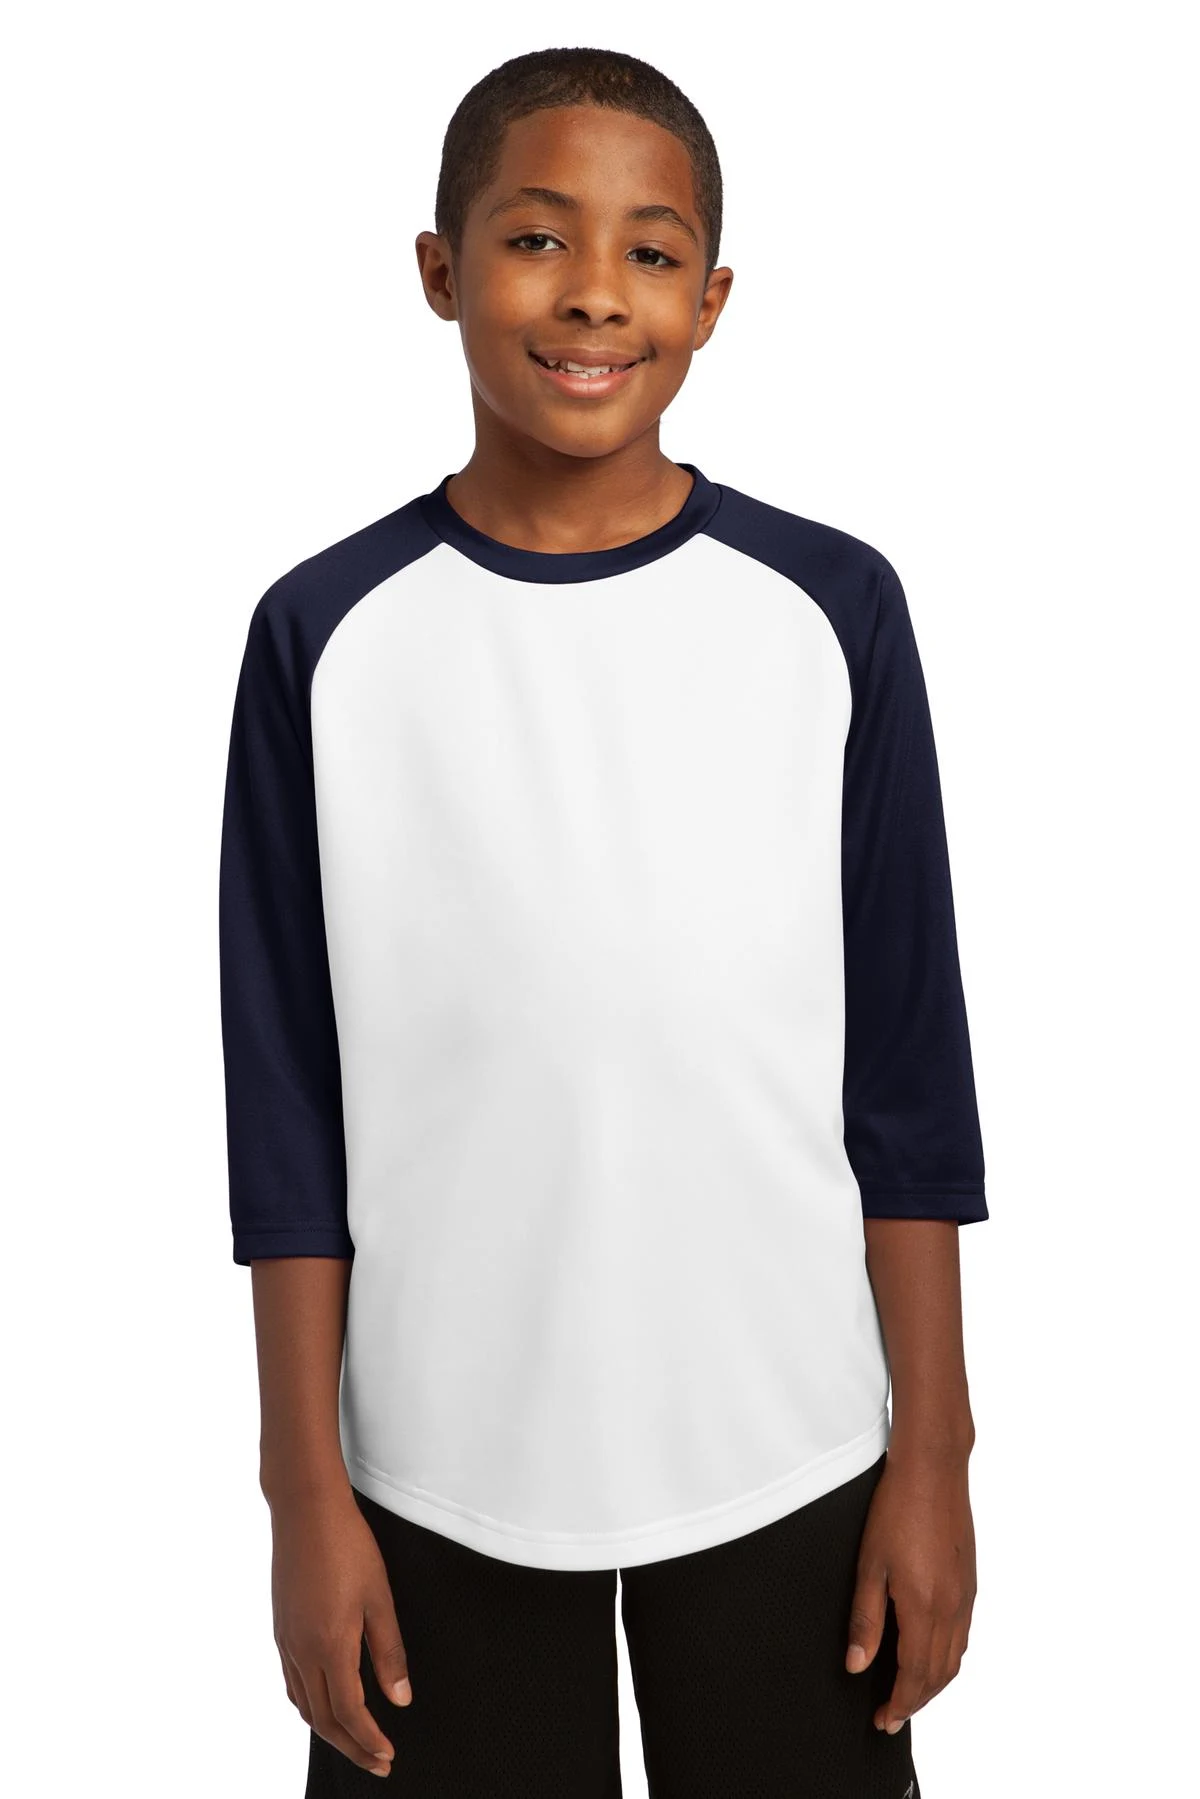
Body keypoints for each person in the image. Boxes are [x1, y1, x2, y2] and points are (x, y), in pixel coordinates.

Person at [218, 44, 988, 1799]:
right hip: (438, 1468)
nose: (592, 294)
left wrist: (935, 1452)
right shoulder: (324, 635)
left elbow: (909, 1079)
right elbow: (287, 1114)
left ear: (711, 301)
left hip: (786, 1444)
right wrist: (302, 1494)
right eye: (536, 238)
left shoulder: (832, 609)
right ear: (440, 269)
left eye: (651, 251)